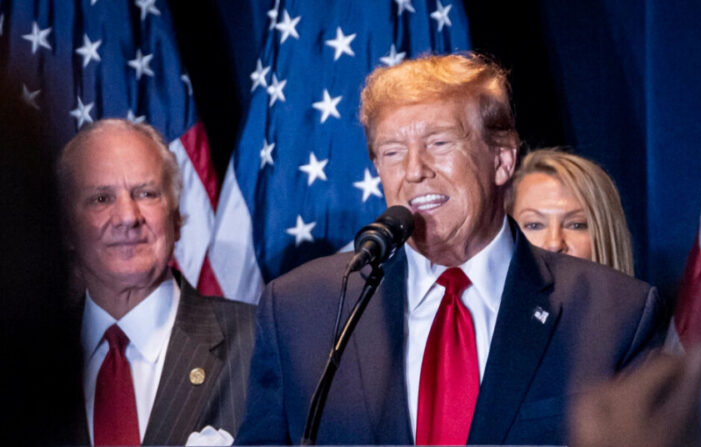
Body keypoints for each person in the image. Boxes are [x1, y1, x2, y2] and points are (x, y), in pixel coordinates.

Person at [237, 53, 668, 445]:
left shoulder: (615, 314)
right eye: (392, 152)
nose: (414, 171)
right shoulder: (301, 309)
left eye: (439, 143)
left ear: (502, 160)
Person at [57, 119, 256, 445]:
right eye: (101, 199)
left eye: (146, 194)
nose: (127, 217)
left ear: (176, 219)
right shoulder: (26, 360)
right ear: (66, 230)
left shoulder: (258, 343)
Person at [507, 148, 634, 276]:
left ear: (606, 236)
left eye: (576, 225)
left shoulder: (641, 295)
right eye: (534, 225)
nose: (554, 244)